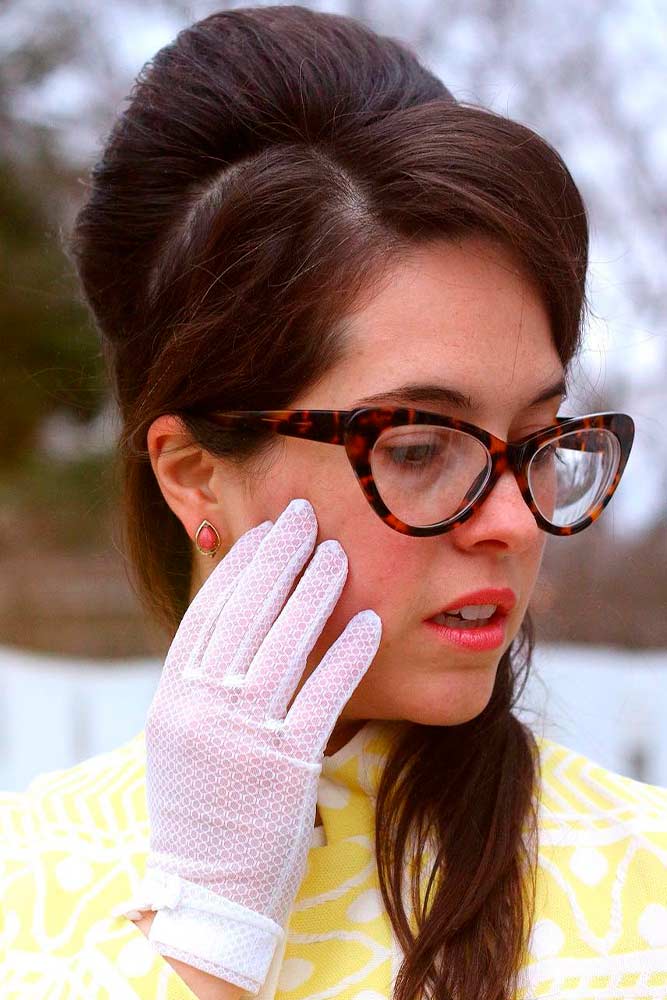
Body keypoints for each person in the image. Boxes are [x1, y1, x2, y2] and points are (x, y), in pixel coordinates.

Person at [1, 6, 665, 1000]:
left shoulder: (643, 888)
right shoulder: (23, 889)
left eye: (534, 436)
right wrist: (207, 943)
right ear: (192, 474)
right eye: (418, 445)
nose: (515, 523)